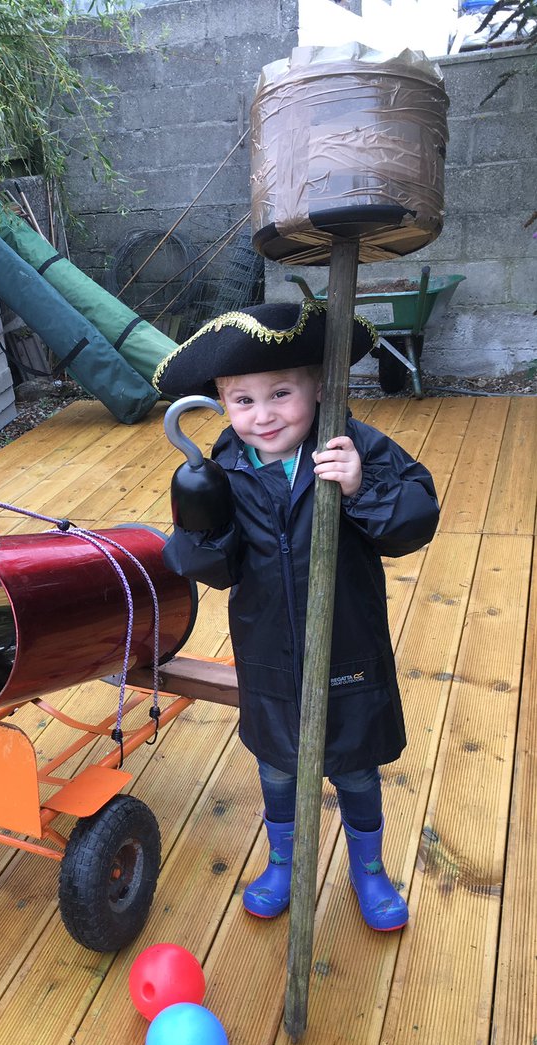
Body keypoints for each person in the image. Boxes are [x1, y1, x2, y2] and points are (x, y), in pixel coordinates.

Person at [153, 301, 439, 931]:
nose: (263, 415)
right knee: (278, 761)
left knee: (355, 764)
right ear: (221, 404)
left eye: (281, 392)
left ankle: (368, 870)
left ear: (318, 386)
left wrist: (364, 488)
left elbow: (417, 515)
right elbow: (218, 568)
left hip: (347, 646)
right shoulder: (223, 469)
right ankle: (284, 860)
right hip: (269, 651)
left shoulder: (351, 446)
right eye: (242, 400)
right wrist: (196, 526)